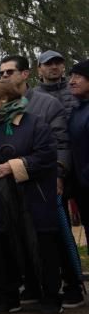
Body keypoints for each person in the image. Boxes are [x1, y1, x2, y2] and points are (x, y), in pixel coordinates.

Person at [0, 80, 62, 314]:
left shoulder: (34, 124)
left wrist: (16, 166)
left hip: (32, 200)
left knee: (42, 249)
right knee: (1, 249)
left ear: (3, 101)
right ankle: (8, 296)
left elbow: (47, 154)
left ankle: (50, 297)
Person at [0, 54, 81, 307]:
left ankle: (72, 285)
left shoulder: (46, 104)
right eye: (1, 73)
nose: (4, 77)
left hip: (45, 180)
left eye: (9, 72)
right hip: (15, 183)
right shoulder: (2, 107)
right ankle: (34, 284)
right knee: (25, 235)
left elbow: (60, 142)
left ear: (25, 74)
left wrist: (58, 173)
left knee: (54, 234)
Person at [68, 60, 89, 231]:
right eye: (71, 76)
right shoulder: (77, 111)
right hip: (82, 189)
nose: (71, 81)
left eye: (78, 76)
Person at [35, 50, 77, 120]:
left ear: (63, 67)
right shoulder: (33, 96)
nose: (54, 67)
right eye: (48, 64)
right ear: (39, 69)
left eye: (58, 63)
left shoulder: (77, 89)